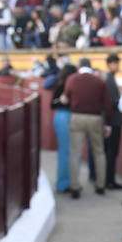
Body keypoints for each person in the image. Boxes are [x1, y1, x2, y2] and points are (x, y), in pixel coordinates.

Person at [63, 56, 111, 198]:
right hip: (95, 118)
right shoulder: (99, 81)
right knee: (99, 152)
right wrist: (107, 123)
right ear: (91, 66)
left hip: (77, 117)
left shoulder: (72, 79)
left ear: (79, 67)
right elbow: (107, 105)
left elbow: (66, 98)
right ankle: (101, 185)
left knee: (75, 153)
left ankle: (75, 187)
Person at [48, 62, 77, 193]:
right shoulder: (64, 86)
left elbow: (52, 104)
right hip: (65, 116)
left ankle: (66, 181)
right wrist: (61, 100)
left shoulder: (61, 85)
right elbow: (53, 104)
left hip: (62, 117)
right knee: (66, 151)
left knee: (66, 151)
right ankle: (64, 183)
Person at [102, 52, 122, 191]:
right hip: (113, 121)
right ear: (110, 64)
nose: (117, 66)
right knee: (111, 152)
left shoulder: (110, 79)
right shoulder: (109, 80)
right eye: (116, 63)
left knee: (110, 152)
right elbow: (113, 102)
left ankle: (109, 180)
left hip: (112, 121)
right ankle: (109, 181)